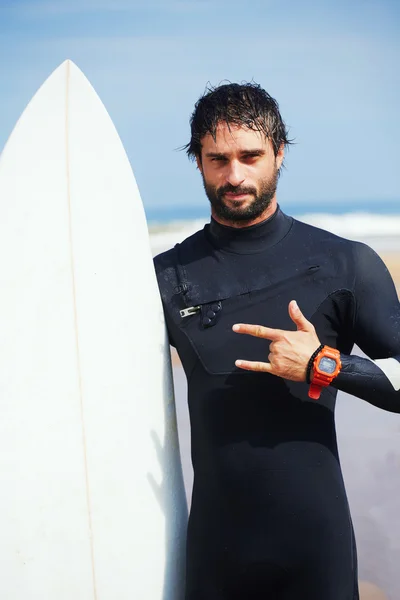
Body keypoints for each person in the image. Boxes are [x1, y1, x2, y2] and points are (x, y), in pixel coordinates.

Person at [154, 82, 400, 600]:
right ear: (197, 160)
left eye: (250, 156)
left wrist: (326, 366)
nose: (235, 175)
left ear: (280, 152)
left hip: (315, 554)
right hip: (214, 558)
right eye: (217, 159)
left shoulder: (346, 265)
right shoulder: (166, 277)